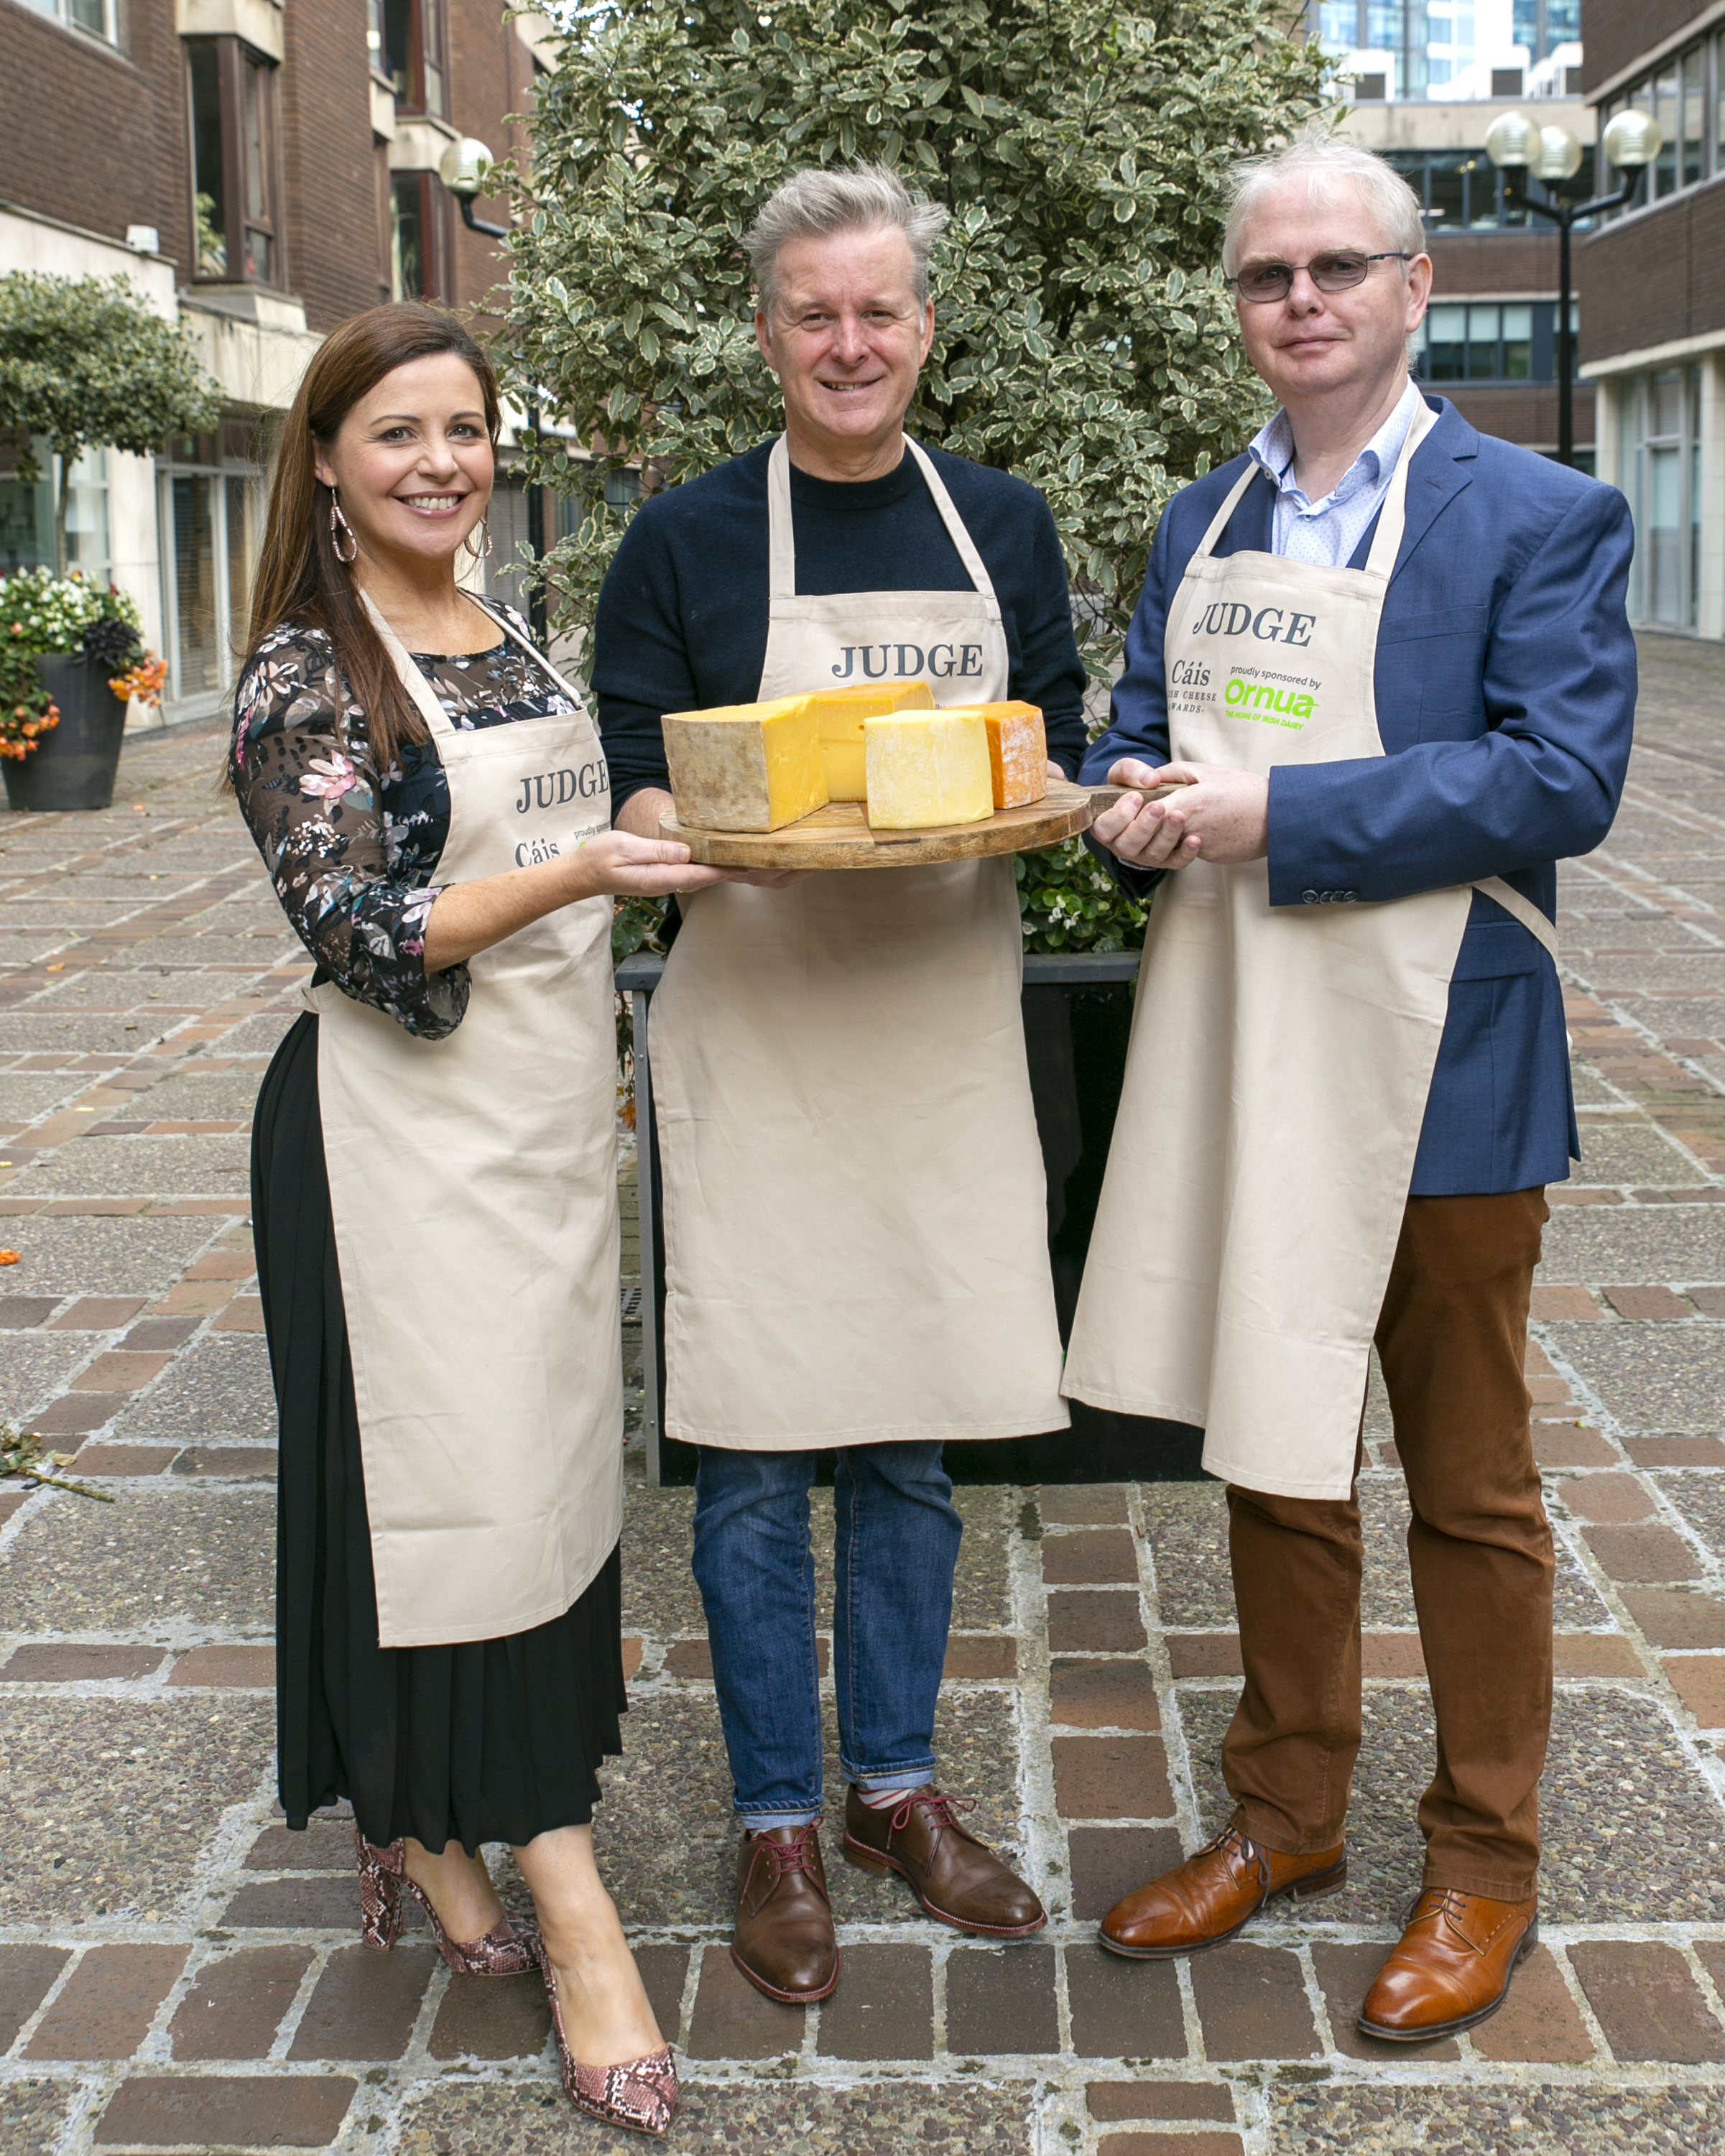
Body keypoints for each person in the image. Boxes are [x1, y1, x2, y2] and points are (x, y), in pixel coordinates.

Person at [1063, 130, 1635, 2040]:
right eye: (1262, 276)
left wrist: (1278, 811)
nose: (1297, 301)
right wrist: (1130, 805)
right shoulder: (1199, 524)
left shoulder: (1534, 515)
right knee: (1272, 1447)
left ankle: (1482, 1862)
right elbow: (1141, 730)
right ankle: (1284, 1813)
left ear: (1412, 289)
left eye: (1333, 270)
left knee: (1467, 1486)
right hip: (1245, 1032)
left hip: (1447, 1051)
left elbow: (1562, 776)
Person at [236, 303, 728, 2137]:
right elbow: (353, 928)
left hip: (526, 1139)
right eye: (397, 437)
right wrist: (582, 868)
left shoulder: (502, 631)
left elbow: (576, 832)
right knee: (432, 1499)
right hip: (383, 1147)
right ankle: (572, 1902)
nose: (441, 462)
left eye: (464, 429)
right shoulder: (305, 669)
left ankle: (417, 1818)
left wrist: (648, 824)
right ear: (329, 467)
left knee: (527, 1493)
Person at [593, 164, 1081, 2003]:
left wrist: (1060, 798)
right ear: (767, 332)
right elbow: (633, 765)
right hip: (767, 1028)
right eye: (815, 312)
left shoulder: (1003, 523)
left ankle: (896, 1788)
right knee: (752, 1445)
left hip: (940, 1029)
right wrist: (702, 826)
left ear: (924, 327)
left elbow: (1047, 735)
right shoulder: (690, 538)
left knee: (911, 1437)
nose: (850, 342)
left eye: (879, 310)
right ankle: (776, 1818)